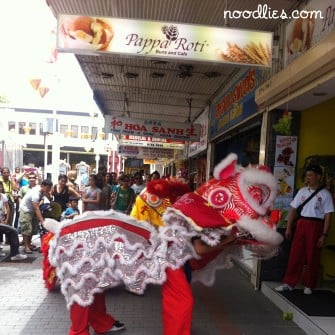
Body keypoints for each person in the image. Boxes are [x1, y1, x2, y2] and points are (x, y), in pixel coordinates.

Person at [275, 164, 334, 295]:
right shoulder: (302, 191)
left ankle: (309, 284)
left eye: (311, 175)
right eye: (307, 175)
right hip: (301, 224)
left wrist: (324, 234)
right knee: (295, 254)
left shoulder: (325, 194)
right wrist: (289, 227)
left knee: (312, 255)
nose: (308, 178)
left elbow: (328, 215)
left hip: (316, 225)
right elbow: (293, 210)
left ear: (319, 177)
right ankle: (289, 283)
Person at [19, 179, 53, 254]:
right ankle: (26, 246)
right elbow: (37, 209)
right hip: (26, 210)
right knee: (27, 227)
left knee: (33, 228)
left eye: (50, 188)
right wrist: (42, 221)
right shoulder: (36, 194)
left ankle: (29, 243)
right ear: (43, 186)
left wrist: (48, 194)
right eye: (47, 188)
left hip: (32, 210)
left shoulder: (43, 191)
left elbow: (48, 199)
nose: (49, 190)